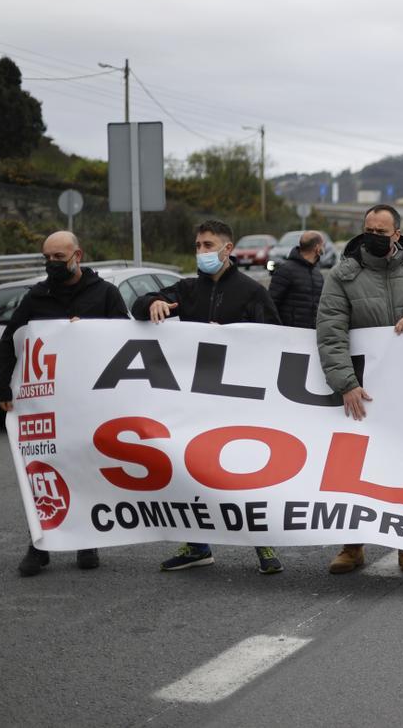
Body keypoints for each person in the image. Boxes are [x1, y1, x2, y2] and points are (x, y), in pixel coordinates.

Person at [133, 220, 284, 574]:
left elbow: (276, 338)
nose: (201, 251)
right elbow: (138, 306)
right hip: (196, 401)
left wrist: (235, 337)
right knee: (193, 470)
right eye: (198, 245)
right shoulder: (187, 290)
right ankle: (197, 546)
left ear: (227, 249)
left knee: (244, 473)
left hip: (239, 401)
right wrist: (153, 301)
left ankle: (263, 545)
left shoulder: (251, 291)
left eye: (207, 245)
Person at [317, 204, 403, 575]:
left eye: (380, 231)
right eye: (368, 229)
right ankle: (352, 546)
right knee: (354, 467)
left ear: (396, 235)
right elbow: (330, 333)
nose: (373, 236)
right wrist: (345, 383)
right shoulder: (342, 275)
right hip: (361, 390)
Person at [0, 231, 128, 577]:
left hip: (91, 402)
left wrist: (88, 331)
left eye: (58, 257)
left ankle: (87, 540)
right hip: (48, 404)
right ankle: (39, 546)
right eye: (47, 257)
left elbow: (126, 341)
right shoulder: (36, 297)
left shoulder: (105, 294)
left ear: (77, 255)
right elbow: (11, 340)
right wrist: (2, 389)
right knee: (42, 473)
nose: (52, 263)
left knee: (85, 468)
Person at [268, 230, 325, 329]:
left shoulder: (317, 274)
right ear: (317, 248)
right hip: (288, 336)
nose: (324, 248)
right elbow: (270, 305)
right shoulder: (285, 270)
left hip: (310, 335)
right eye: (322, 245)